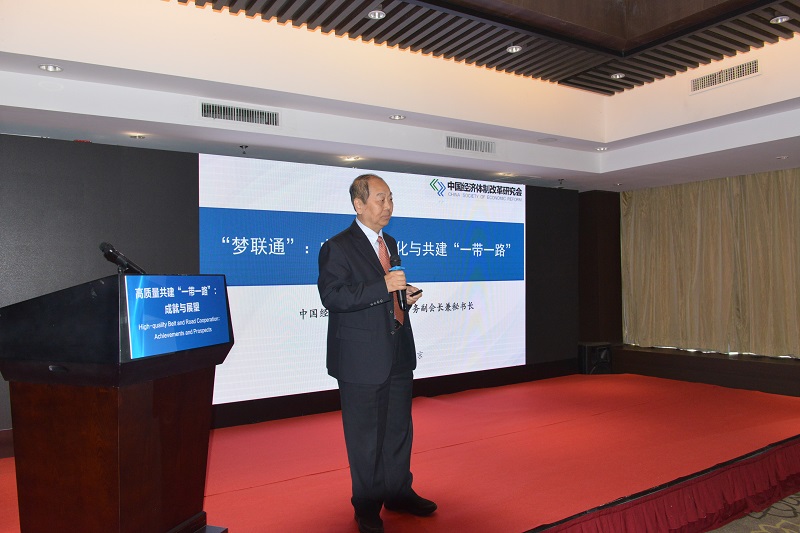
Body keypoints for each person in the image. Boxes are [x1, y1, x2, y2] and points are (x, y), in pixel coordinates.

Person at [318, 174, 437, 533]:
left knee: (399, 430)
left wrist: (403, 297)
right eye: (380, 199)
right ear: (359, 204)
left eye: (391, 199)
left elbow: (386, 295)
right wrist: (382, 286)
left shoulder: (390, 242)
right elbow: (333, 297)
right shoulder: (337, 247)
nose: (388, 206)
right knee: (365, 439)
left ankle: (398, 492)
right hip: (360, 360)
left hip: (397, 350)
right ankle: (367, 505)